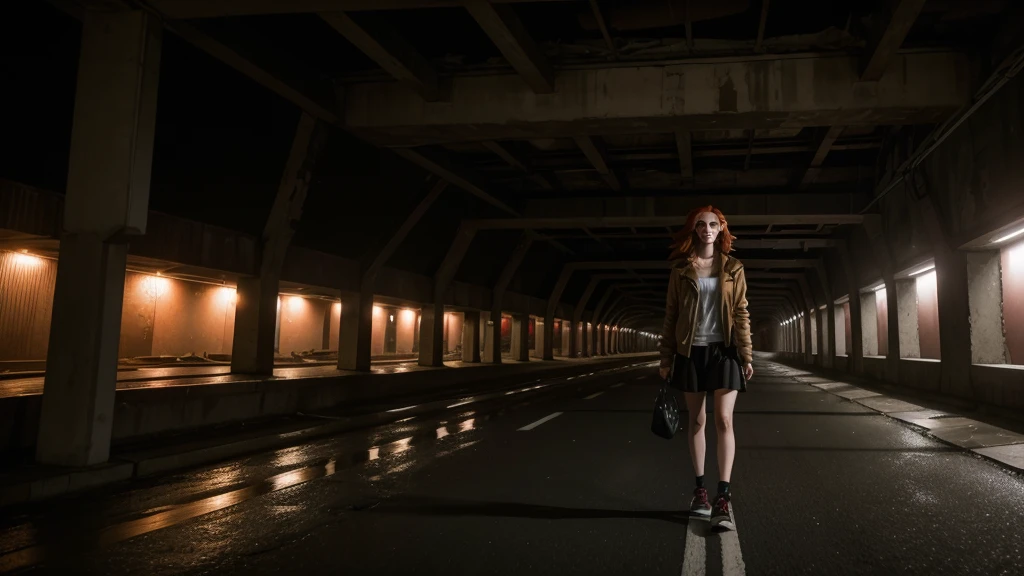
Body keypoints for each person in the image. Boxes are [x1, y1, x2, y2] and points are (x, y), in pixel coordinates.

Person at [658, 206, 753, 531]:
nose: (707, 229)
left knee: (724, 420)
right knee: (696, 422)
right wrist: (666, 358)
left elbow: (741, 311)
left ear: (721, 229)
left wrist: (746, 355)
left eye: (713, 224)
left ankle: (723, 496)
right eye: (701, 224)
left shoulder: (734, 268)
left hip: (724, 351)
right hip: (690, 351)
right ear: (694, 230)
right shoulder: (681, 270)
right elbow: (671, 315)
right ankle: (700, 492)